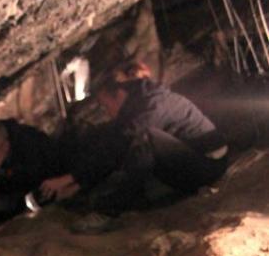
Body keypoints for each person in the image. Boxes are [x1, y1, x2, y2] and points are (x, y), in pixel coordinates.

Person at [39, 61, 229, 233]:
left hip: (208, 165)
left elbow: (118, 149)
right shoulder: (140, 101)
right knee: (119, 145)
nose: (107, 111)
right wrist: (78, 184)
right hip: (189, 160)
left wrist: (67, 179)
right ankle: (122, 198)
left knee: (143, 139)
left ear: (119, 95)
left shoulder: (152, 105)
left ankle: (107, 212)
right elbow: (110, 147)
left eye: (106, 106)